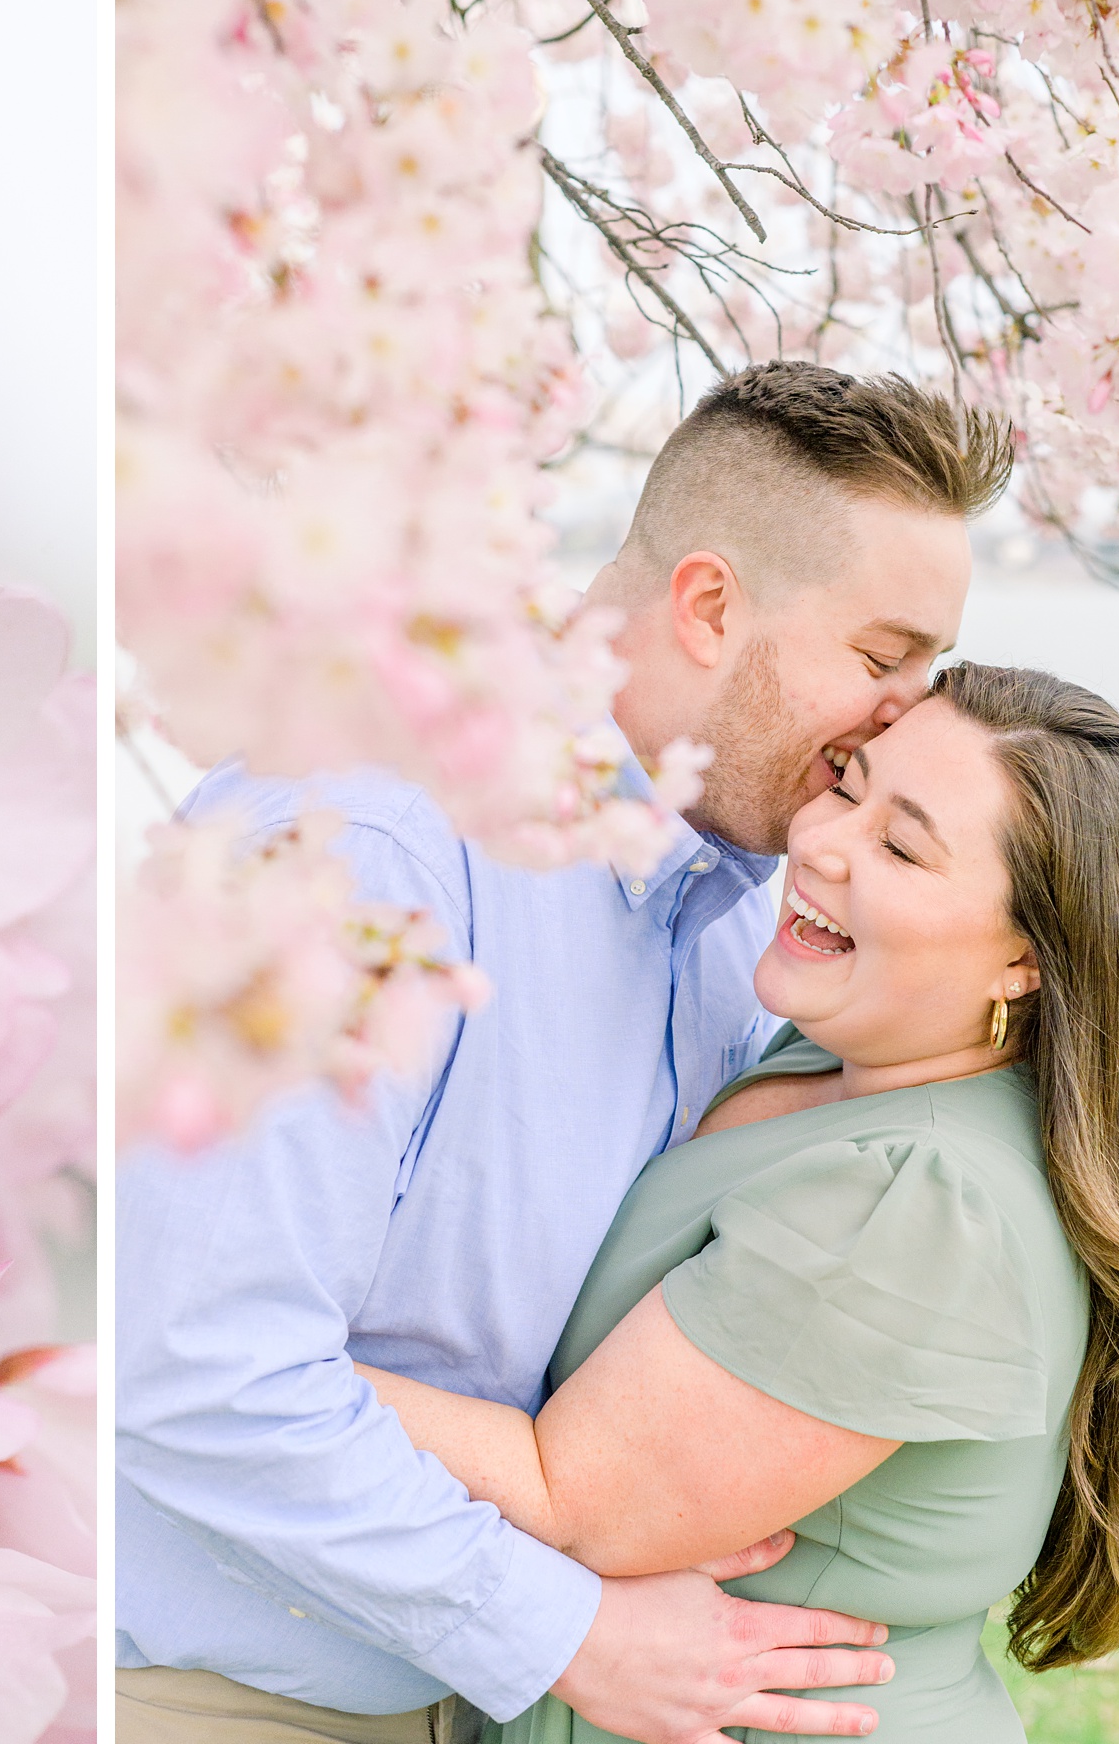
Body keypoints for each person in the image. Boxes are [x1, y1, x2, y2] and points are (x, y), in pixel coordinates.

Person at [117, 362, 1015, 1744]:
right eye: (882, 660)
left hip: (465, 1703)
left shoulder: (729, 921)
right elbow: (189, 1363)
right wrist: (568, 1630)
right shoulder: (366, 843)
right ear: (710, 607)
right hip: (222, 1704)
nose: (904, 717)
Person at [358, 664, 1119, 1741]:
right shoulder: (841, 1051)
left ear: (1024, 957)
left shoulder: (919, 1202)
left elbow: (570, 1497)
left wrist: (249, 1356)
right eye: (847, 784)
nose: (822, 842)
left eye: (902, 845)